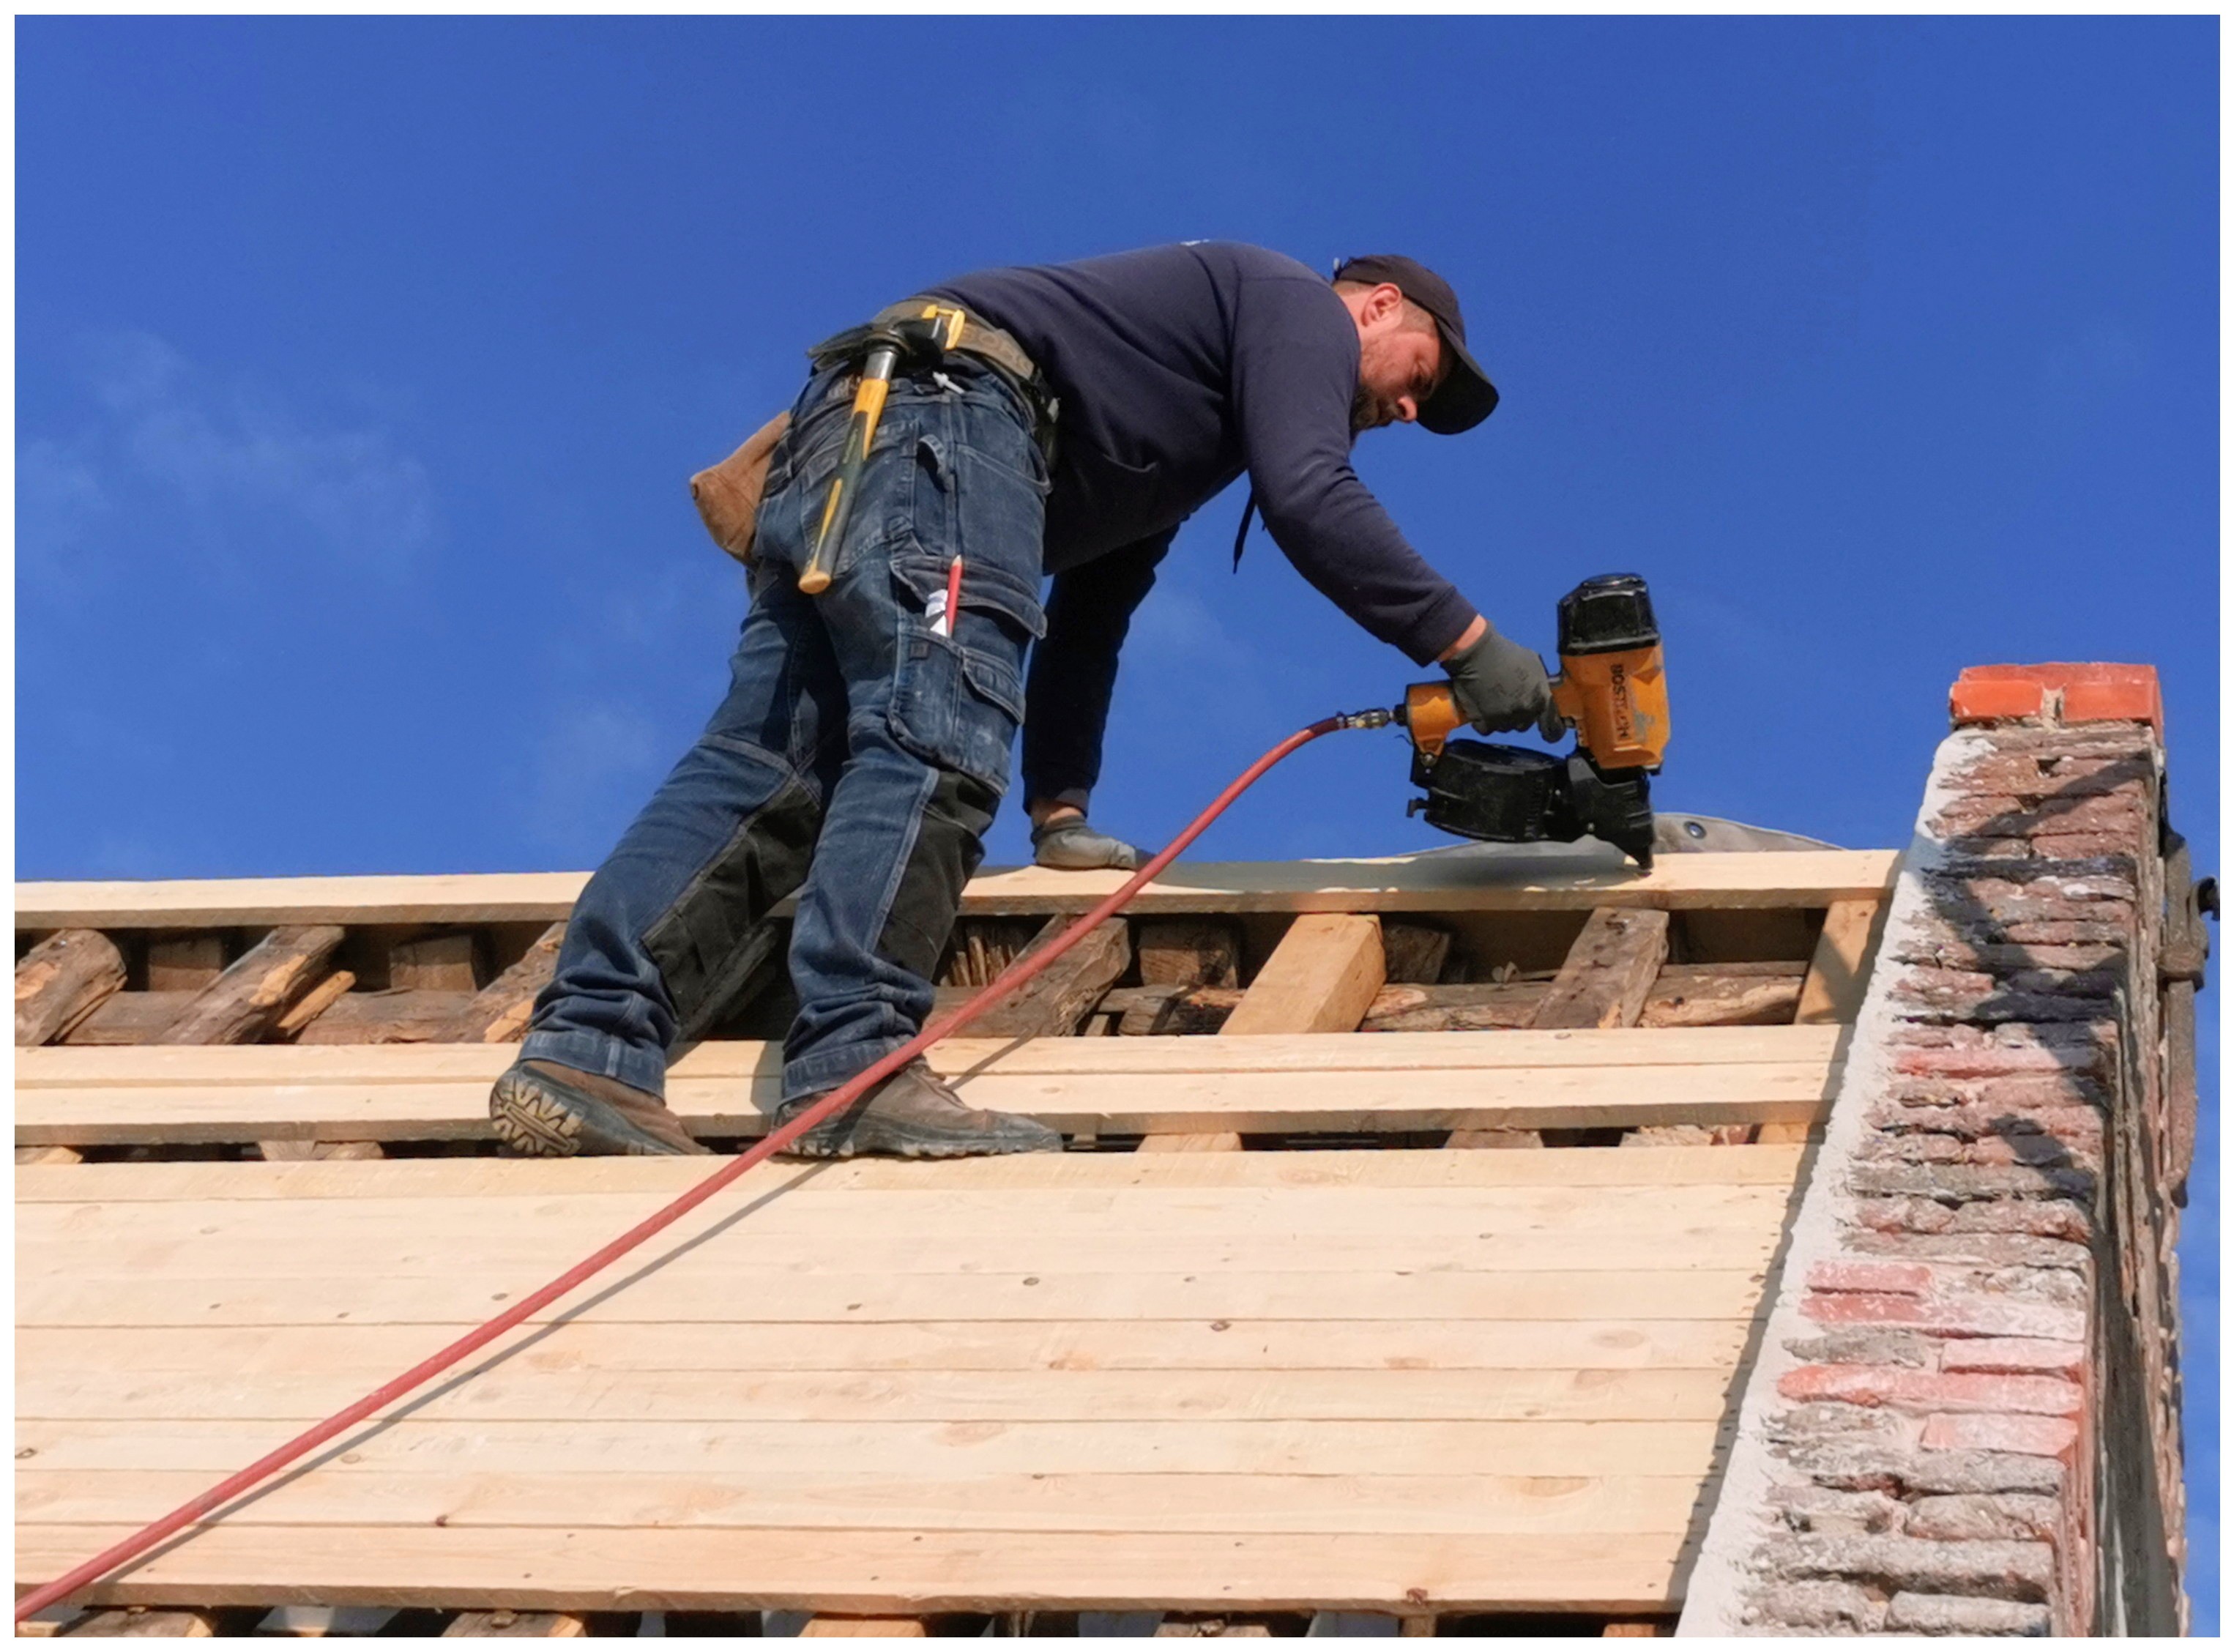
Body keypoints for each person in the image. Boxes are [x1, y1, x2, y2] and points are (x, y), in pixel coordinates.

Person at [488, 243, 1560, 1162]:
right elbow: (1310, 495)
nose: (1409, 408)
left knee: (775, 761)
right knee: (932, 734)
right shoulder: (1289, 302)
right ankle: (856, 1067)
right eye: (1419, 373)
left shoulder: (1166, 421)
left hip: (868, 428)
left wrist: (1060, 811)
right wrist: (1465, 641)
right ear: (1374, 306)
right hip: (949, 420)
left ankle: (586, 1050)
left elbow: (1092, 613)